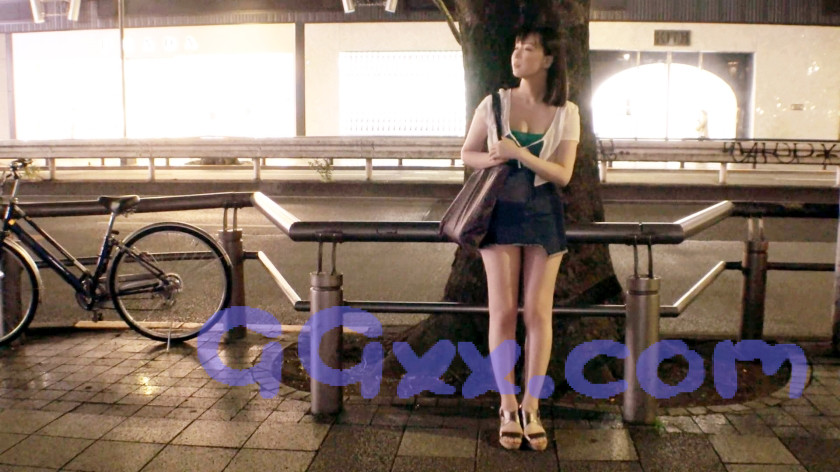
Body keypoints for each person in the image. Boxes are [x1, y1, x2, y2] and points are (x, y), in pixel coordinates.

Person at [460, 24, 580, 451]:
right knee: (504, 311)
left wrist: (520, 155)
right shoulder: (494, 103)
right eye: (516, 47)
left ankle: (532, 405)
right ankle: (507, 405)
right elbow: (467, 153)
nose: (518, 54)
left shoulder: (567, 111)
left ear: (548, 59)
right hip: (499, 211)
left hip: (544, 213)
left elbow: (563, 174)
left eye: (529, 48)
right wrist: (496, 159)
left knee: (538, 312)